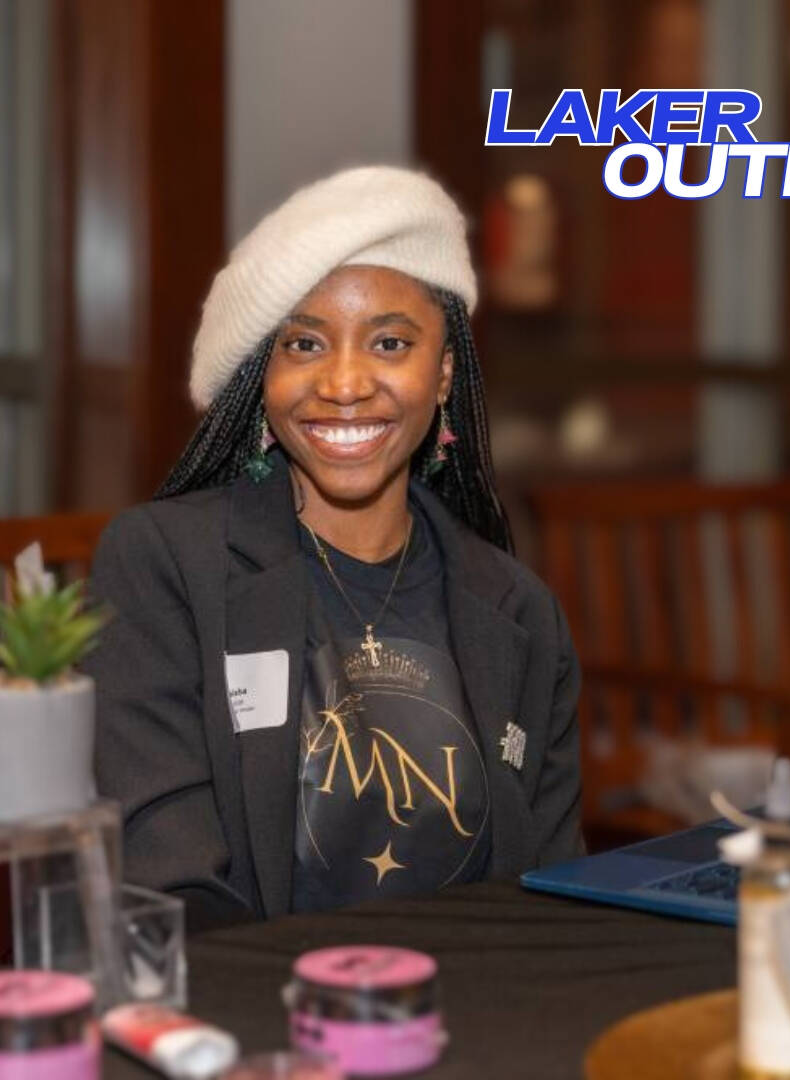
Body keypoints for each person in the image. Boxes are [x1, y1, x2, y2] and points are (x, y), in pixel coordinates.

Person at [84, 167, 583, 929]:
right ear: (264, 377)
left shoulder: (520, 614)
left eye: (390, 342)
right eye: (305, 343)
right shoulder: (167, 567)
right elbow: (168, 890)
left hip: (479, 1018)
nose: (346, 383)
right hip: (255, 1022)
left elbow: (548, 903)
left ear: (443, 372)